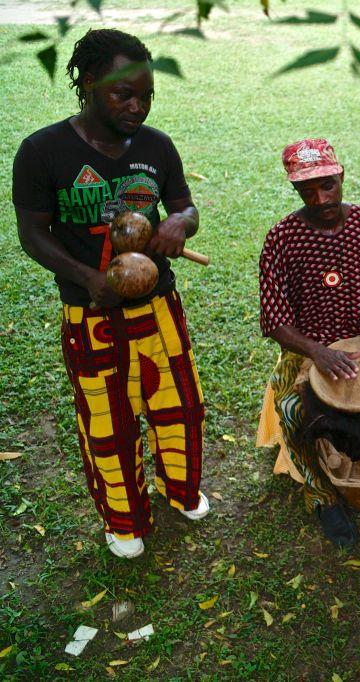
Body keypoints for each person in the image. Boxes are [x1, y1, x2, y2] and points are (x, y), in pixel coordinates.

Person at [12, 29, 209, 559]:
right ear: (90, 82)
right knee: (109, 424)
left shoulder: (156, 146)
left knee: (179, 408)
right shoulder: (42, 151)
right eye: (124, 95)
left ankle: (182, 490)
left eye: (147, 95)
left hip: (159, 307)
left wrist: (180, 225)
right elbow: (33, 234)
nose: (138, 106)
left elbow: (186, 206)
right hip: (91, 315)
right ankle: (124, 520)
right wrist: (87, 276)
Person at [259, 138, 360, 549]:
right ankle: (322, 496)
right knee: (290, 410)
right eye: (307, 190)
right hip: (306, 350)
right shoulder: (282, 238)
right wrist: (317, 352)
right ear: (295, 191)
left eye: (327, 186)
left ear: (341, 176)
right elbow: (273, 321)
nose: (320, 198)